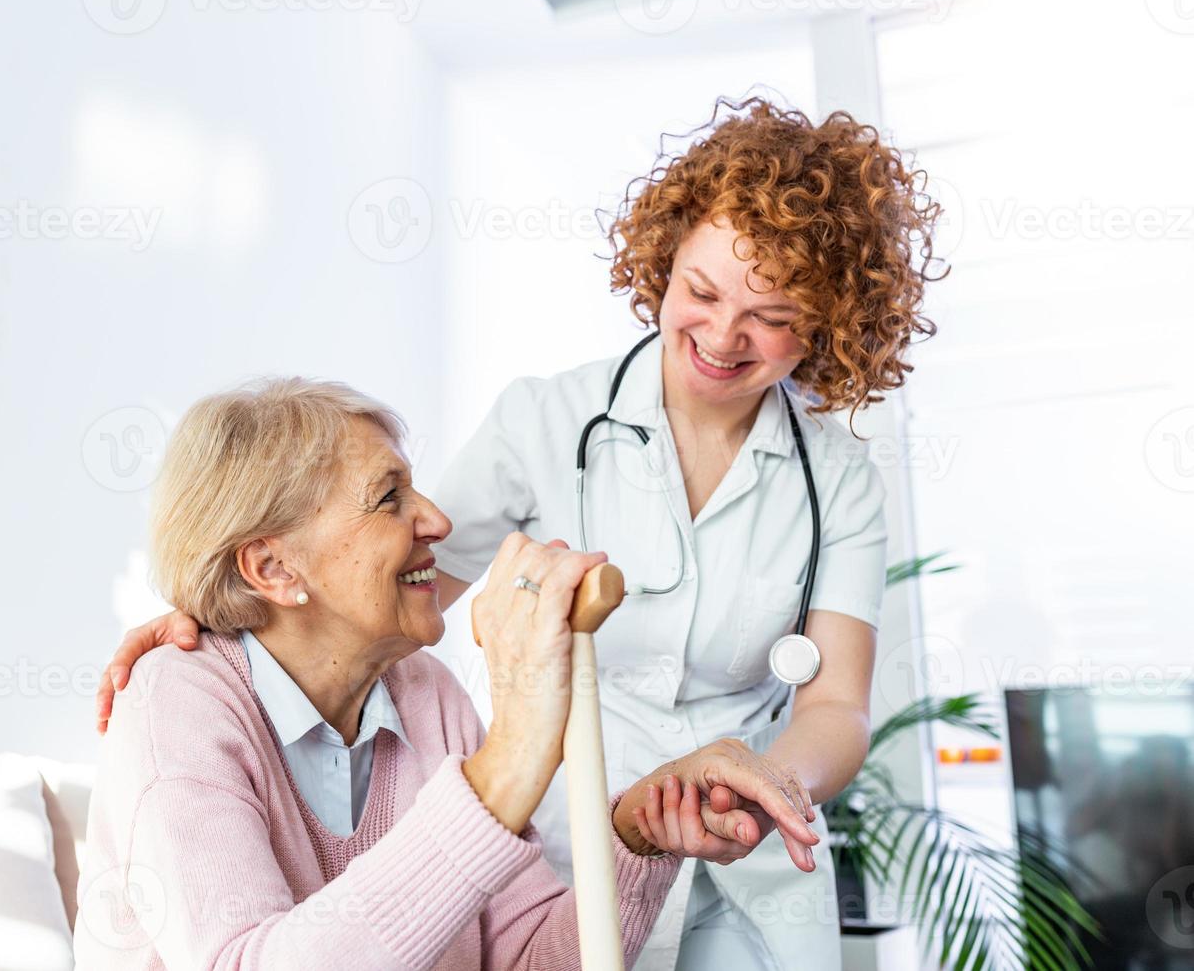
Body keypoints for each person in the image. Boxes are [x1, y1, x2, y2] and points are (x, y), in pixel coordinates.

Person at [95, 96, 944, 969]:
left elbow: (836, 703)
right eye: (701, 291)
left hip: (743, 849)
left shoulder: (837, 480)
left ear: (830, 324)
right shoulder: (546, 423)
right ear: (665, 261)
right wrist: (210, 616)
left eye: (772, 317)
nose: (725, 336)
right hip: (570, 843)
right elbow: (377, 576)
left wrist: (764, 782)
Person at [73, 378, 822, 970]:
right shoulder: (177, 708)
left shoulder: (424, 693)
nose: (436, 520)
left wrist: (632, 838)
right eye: (389, 497)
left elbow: (528, 962)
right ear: (273, 568)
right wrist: (514, 751)